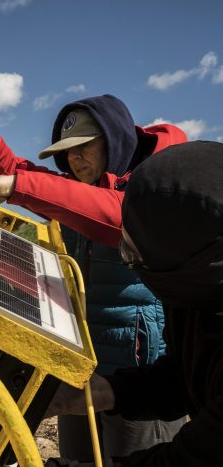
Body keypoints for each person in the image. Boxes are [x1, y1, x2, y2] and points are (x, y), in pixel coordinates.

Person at [0, 95, 188, 460]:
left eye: (85, 146)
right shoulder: (79, 192)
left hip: (140, 376)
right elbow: (21, 174)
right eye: (68, 151)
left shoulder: (150, 191)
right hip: (80, 367)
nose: (74, 158)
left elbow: (118, 218)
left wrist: (16, 187)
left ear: (114, 141)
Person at [46, 140, 223, 466]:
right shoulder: (197, 297)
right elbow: (181, 380)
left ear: (194, 263)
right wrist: (107, 392)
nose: (128, 262)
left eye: (137, 254)